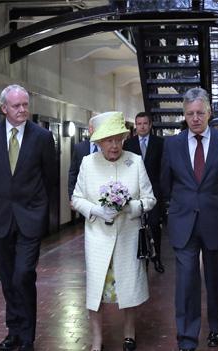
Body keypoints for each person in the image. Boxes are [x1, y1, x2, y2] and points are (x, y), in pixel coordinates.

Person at [160, 87, 218, 350]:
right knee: (186, 281)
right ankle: (187, 336)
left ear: (209, 112)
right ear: (184, 116)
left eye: (200, 112)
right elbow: (165, 183)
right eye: (190, 114)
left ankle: (216, 327)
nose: (195, 118)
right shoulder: (171, 144)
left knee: (216, 278)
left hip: (217, 222)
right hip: (183, 222)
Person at [0, 84, 56, 351]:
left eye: (25, 104)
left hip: (30, 216)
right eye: (16, 105)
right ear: (4, 109)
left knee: (23, 274)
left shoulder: (42, 137)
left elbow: (50, 178)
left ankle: (28, 336)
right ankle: (14, 330)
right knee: (8, 276)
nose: (23, 109)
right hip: (0, 216)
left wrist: (44, 211)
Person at [71, 111, 156, 351]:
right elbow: (76, 198)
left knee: (128, 287)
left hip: (128, 236)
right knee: (96, 290)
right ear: (98, 142)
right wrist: (96, 211)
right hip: (98, 238)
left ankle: (129, 333)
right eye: (109, 140)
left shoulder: (135, 161)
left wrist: (132, 207)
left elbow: (150, 199)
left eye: (118, 139)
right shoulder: (88, 164)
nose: (115, 145)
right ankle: (97, 338)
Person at [123, 111, 165, 273]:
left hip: (154, 192)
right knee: (136, 227)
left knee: (154, 225)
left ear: (150, 125)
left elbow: (163, 168)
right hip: (135, 193)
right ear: (136, 125)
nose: (142, 127)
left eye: (145, 123)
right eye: (139, 124)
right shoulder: (128, 144)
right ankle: (142, 259)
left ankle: (157, 257)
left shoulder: (160, 143)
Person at [67, 116, 100, 204]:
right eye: (92, 127)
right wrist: (71, 196)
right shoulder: (79, 148)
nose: (94, 130)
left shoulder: (106, 147)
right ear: (89, 129)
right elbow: (73, 173)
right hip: (84, 196)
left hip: (101, 195)